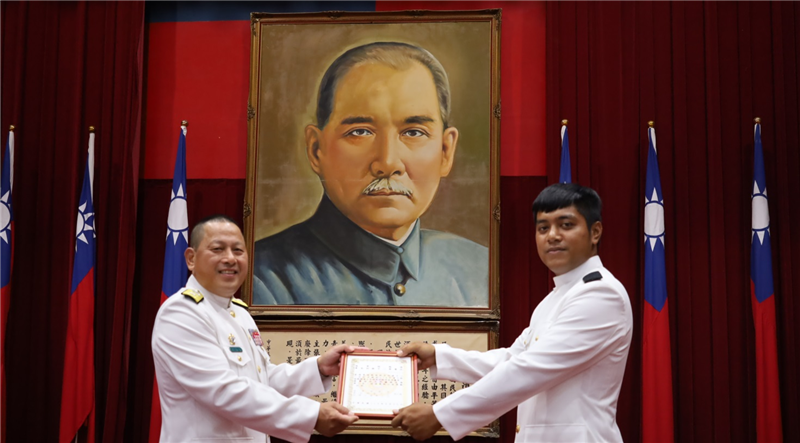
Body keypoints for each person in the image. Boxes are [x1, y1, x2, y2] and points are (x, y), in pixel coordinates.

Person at [252, 41, 488, 307]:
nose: (387, 163)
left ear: (446, 151)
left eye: (413, 133)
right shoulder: (264, 279)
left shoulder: (480, 272)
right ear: (316, 149)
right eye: (360, 132)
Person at [391, 183, 633, 442]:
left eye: (566, 225)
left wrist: (440, 415)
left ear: (595, 232)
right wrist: (439, 357)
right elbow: (511, 360)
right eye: (543, 228)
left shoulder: (600, 295)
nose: (552, 235)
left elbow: (530, 370)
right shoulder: (556, 297)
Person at [151, 215, 360, 442]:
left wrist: (319, 368)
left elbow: (262, 379)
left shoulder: (240, 313)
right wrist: (312, 415)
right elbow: (224, 391)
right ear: (191, 259)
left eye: (238, 251)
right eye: (218, 249)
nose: (230, 258)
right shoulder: (181, 314)